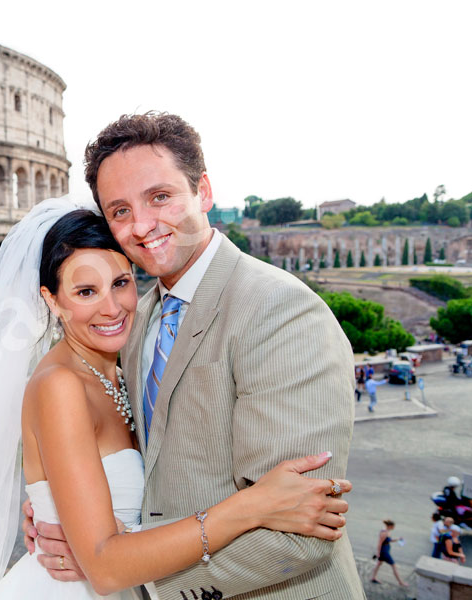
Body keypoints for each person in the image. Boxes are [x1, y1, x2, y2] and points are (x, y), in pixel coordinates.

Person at [0, 199, 352, 600]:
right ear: (51, 301)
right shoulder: (59, 386)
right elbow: (106, 564)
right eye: (85, 292)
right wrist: (250, 506)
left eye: (120, 282)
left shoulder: (128, 352)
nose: (111, 307)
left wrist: (54, 509)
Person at [24, 112, 363, 598]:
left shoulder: (279, 310)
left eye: (159, 196)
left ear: (203, 191)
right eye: (119, 211)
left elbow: (298, 535)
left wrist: (129, 572)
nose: (142, 225)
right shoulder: (133, 322)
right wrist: (61, 515)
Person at [371, 519, 408, 586]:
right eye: (393, 526)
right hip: (384, 552)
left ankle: (373, 577)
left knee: (379, 564)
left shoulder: (387, 531)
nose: (394, 527)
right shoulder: (384, 533)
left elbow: (389, 540)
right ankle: (400, 582)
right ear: (390, 526)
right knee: (393, 565)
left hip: (385, 551)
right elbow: (379, 543)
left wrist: (398, 539)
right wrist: (378, 553)